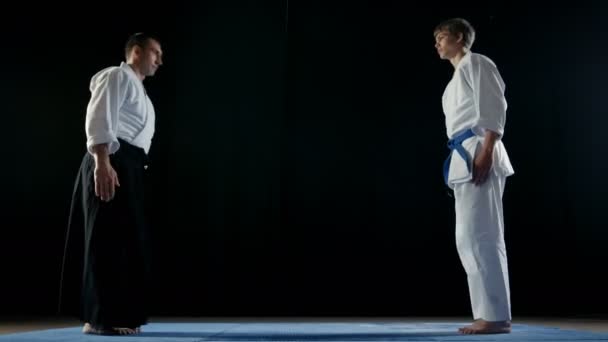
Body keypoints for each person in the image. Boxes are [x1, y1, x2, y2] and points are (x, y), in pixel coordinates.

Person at [60, 32, 163, 335]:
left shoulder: (141, 92)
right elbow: (99, 116)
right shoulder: (117, 75)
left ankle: (119, 312)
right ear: (136, 51)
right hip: (110, 160)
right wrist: (102, 162)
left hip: (130, 165)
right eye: (155, 52)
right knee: (106, 239)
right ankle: (100, 316)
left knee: (126, 242)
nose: (160, 59)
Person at [434, 18, 515, 334]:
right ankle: (489, 312)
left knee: (483, 234)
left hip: (480, 147)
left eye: (441, 37)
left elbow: (494, 104)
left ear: (458, 37)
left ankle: (495, 316)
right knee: (467, 236)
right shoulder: (452, 83)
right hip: (463, 154)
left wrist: (487, 148)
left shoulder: (477, 63)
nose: (437, 43)